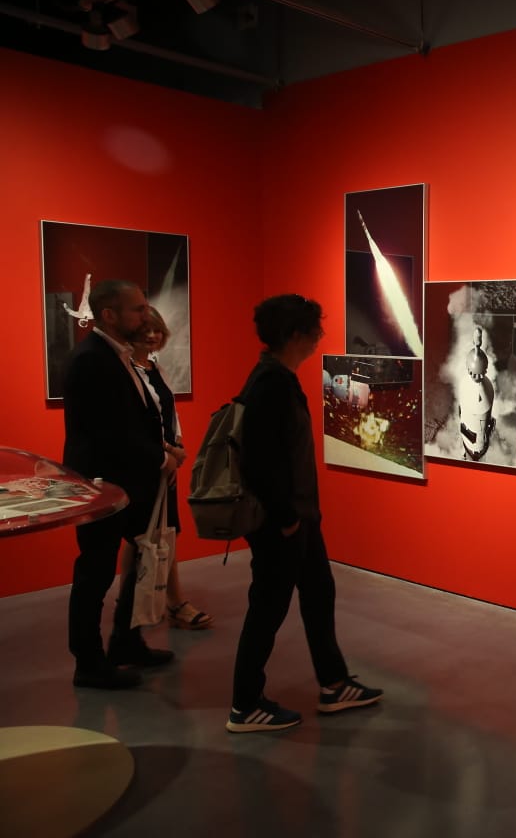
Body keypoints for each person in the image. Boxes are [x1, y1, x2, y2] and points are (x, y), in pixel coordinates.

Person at [227, 294, 382, 733]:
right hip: (284, 521)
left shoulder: (276, 377)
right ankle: (245, 704)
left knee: (318, 593)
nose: (321, 337)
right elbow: (256, 461)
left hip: (300, 517)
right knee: (268, 609)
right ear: (296, 335)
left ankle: (333, 683)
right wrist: (284, 517)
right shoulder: (271, 383)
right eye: (316, 329)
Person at [63, 280, 176, 689]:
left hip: (130, 482)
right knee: (94, 573)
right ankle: (89, 663)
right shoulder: (94, 360)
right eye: (137, 310)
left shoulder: (119, 357)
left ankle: (126, 643)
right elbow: (110, 433)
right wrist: (162, 456)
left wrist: (160, 450)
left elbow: (135, 420)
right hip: (105, 486)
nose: (146, 317)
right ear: (109, 315)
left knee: (141, 561)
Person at [128, 307, 213, 629]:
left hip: (165, 462)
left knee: (162, 532)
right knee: (144, 534)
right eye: (145, 329)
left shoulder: (154, 367)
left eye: (157, 329)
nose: (152, 335)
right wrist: (166, 453)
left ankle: (159, 600)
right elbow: (135, 426)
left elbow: (167, 413)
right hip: (146, 463)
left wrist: (176, 446)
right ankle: (166, 602)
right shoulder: (128, 371)